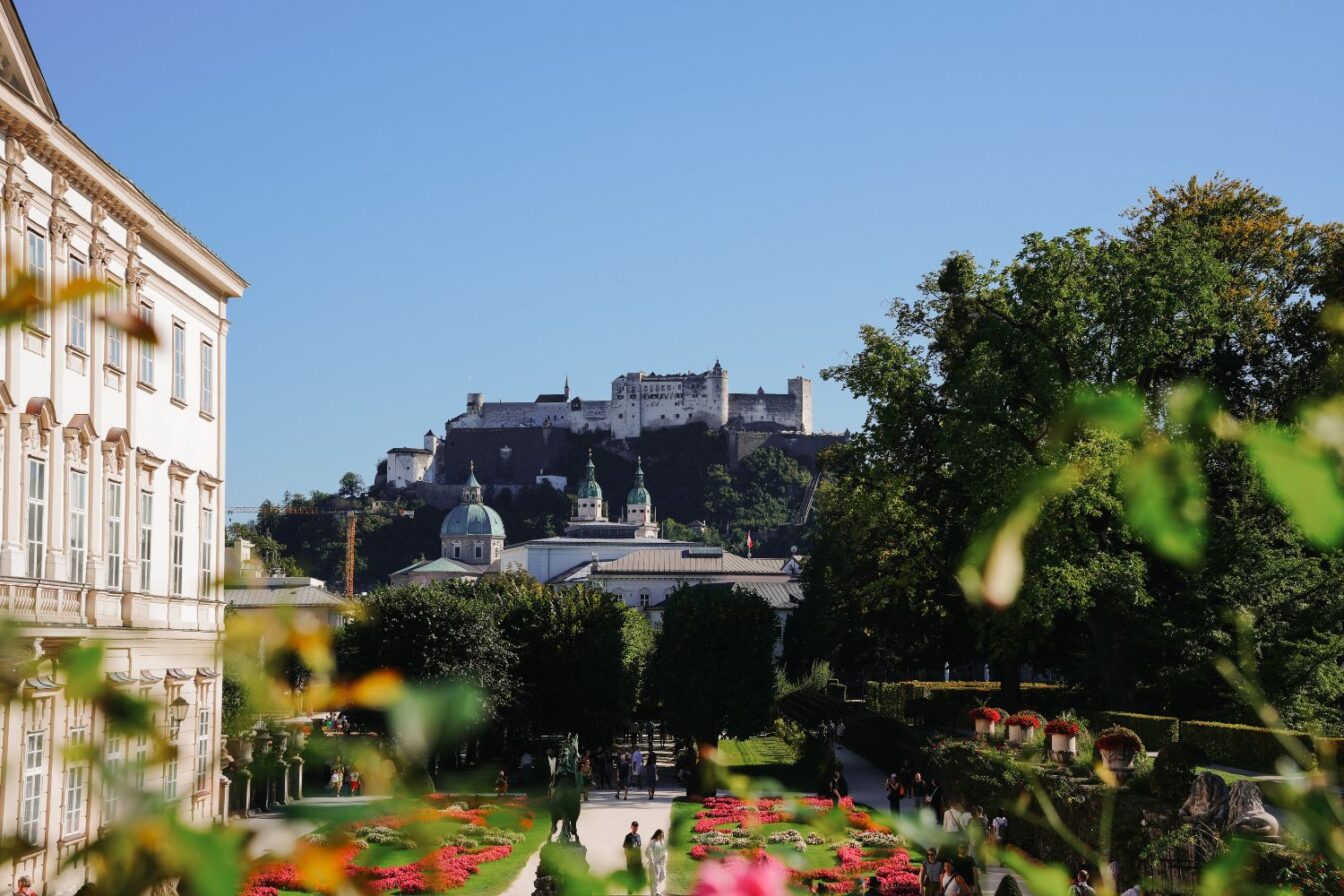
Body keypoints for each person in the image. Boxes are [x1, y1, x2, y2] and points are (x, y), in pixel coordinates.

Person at [623, 821, 645, 895]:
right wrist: (628, 859)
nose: (635, 828)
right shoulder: (628, 837)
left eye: (636, 826)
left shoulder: (638, 836)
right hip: (630, 862)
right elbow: (625, 849)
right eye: (634, 826)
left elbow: (639, 848)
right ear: (631, 827)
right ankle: (629, 893)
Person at [645, 828, 668, 896]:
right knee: (656, 878)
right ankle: (656, 893)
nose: (662, 837)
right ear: (657, 835)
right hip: (655, 864)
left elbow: (665, 851)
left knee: (663, 876)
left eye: (663, 835)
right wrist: (651, 861)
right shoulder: (653, 842)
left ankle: (654, 887)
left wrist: (665, 855)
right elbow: (649, 852)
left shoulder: (662, 842)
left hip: (661, 863)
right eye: (661, 835)